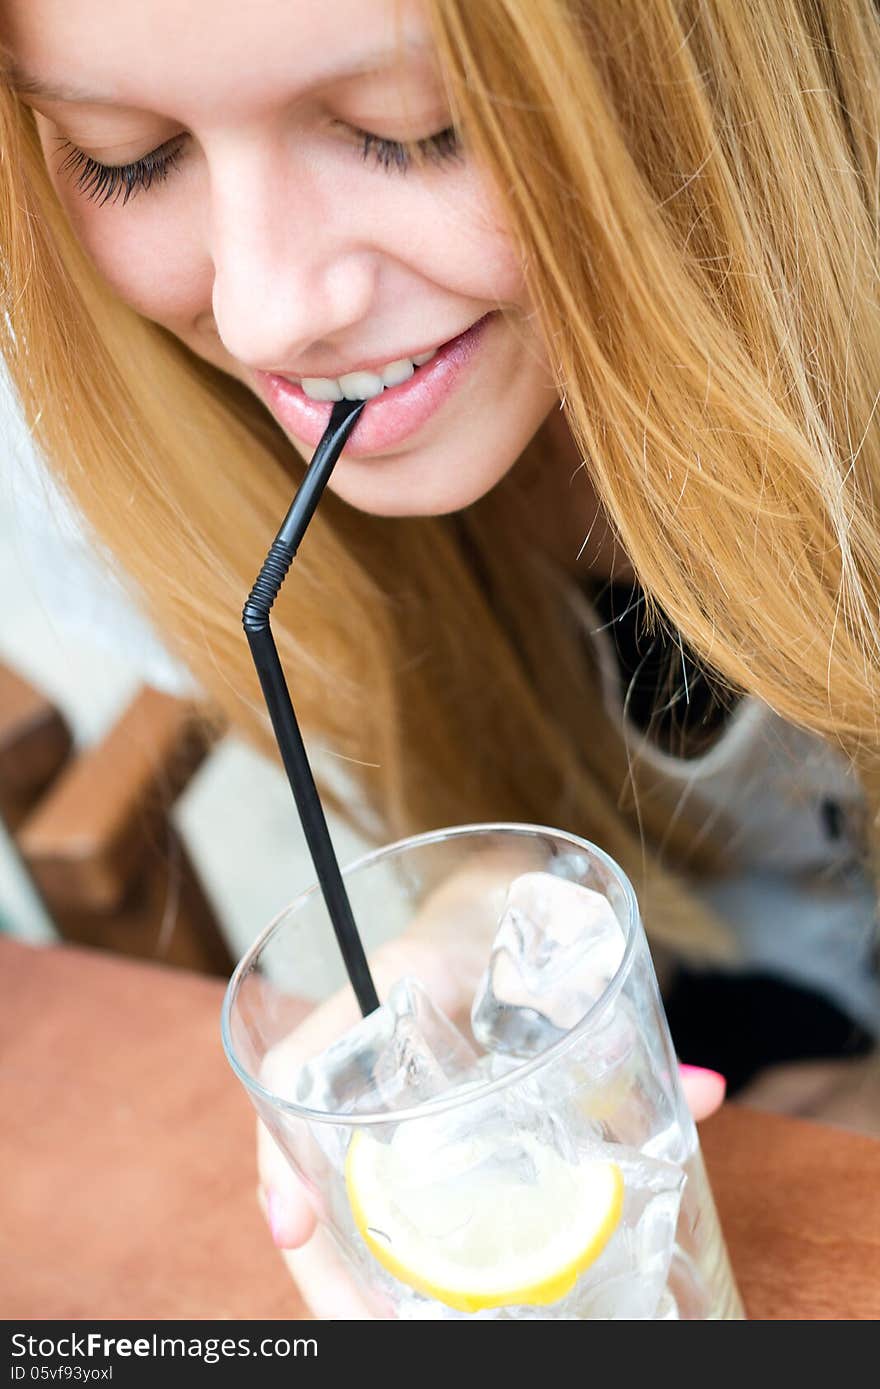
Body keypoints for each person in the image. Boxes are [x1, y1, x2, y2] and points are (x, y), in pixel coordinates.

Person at [1, 0, 878, 1314]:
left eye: (411, 128)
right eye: (127, 154)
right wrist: (487, 900)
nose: (264, 313)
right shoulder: (151, 438)